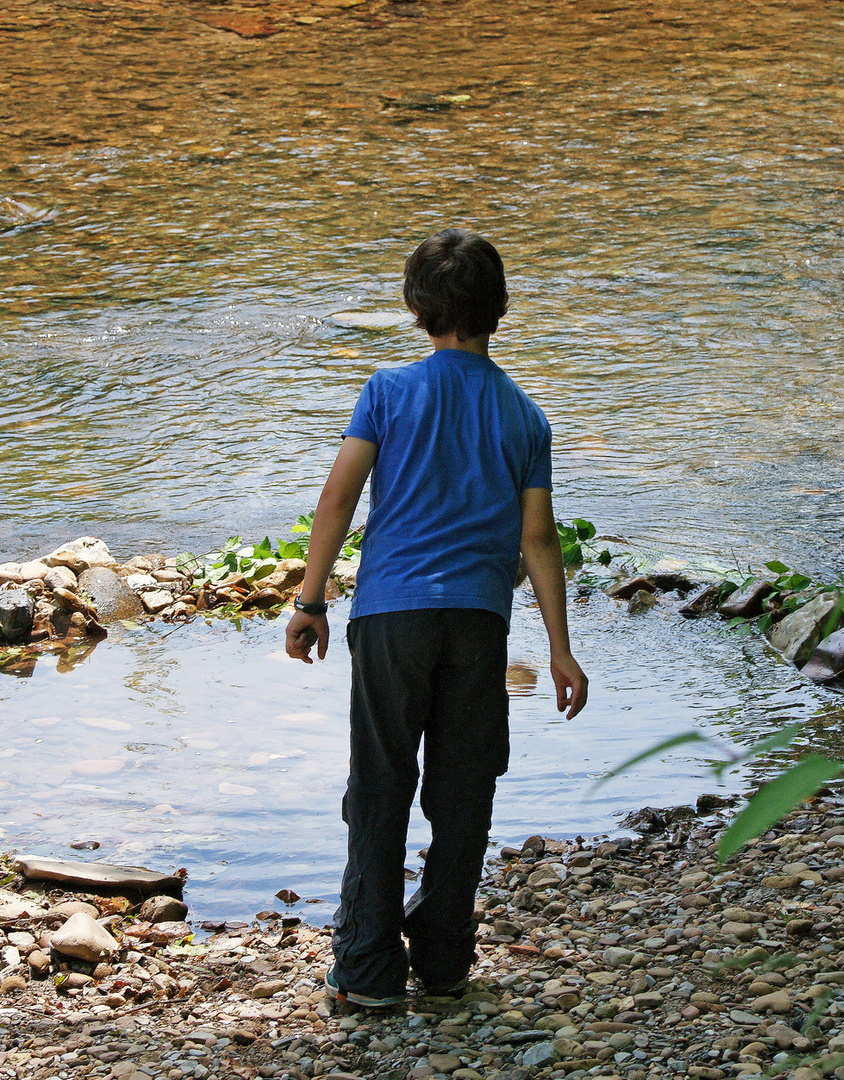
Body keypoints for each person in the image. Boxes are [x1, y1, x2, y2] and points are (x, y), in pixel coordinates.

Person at [285, 228, 589, 1010]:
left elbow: (340, 497)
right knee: (464, 791)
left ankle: (368, 971)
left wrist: (311, 600)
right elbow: (539, 539)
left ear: (418, 309)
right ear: (500, 310)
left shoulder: (388, 390)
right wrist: (560, 649)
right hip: (479, 623)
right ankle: (446, 959)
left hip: (391, 618)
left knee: (380, 788)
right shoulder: (525, 416)